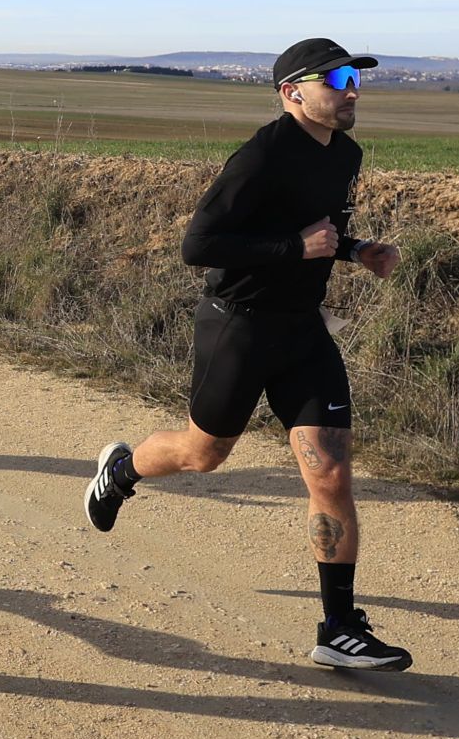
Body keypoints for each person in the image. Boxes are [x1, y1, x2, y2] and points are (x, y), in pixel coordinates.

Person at [84, 38, 410, 671]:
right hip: (238, 326)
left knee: (332, 471)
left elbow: (323, 231)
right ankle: (121, 471)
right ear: (293, 93)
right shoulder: (259, 157)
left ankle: (339, 628)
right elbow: (200, 245)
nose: (352, 89)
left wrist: (357, 250)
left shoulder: (346, 153)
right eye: (337, 78)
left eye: (358, 78)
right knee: (202, 455)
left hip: (303, 331)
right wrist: (295, 248)